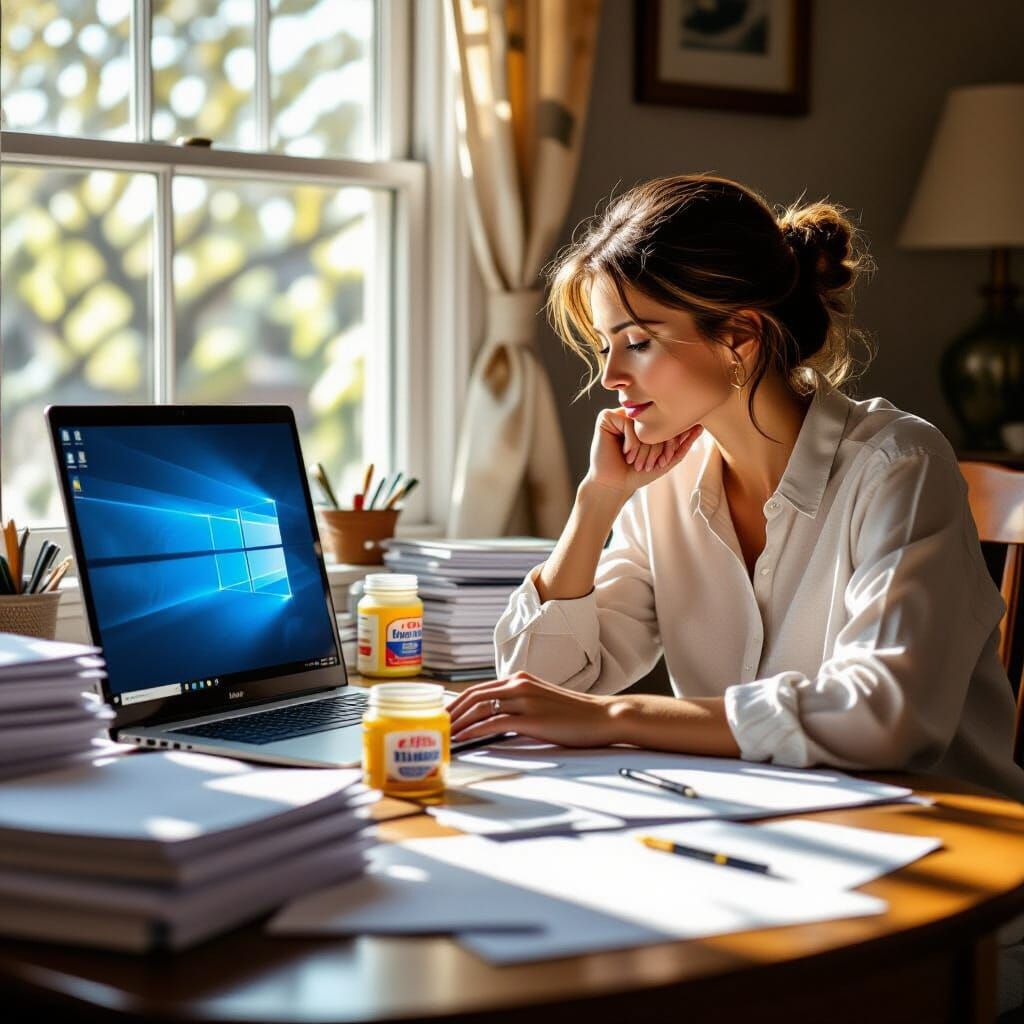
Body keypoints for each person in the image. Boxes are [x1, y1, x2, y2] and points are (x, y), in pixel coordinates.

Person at [446, 173, 1024, 1014]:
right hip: (774, 870)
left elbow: (887, 712)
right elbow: (542, 683)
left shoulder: (895, 464)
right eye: (607, 342)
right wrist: (596, 504)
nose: (610, 374)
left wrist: (613, 720)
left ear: (740, 338)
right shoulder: (665, 487)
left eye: (637, 340)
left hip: (946, 901)